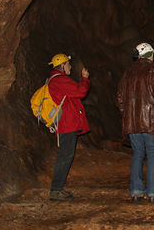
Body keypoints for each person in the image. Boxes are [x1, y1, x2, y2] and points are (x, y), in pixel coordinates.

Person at [116, 42, 154, 203]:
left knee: (137, 154)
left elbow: (120, 99)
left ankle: (136, 190)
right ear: (150, 55)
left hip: (133, 123)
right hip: (151, 121)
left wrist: (128, 115)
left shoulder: (128, 72)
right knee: (152, 153)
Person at [47, 53, 90, 201]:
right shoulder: (60, 81)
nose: (70, 66)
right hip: (67, 124)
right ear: (62, 66)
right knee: (65, 156)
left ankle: (58, 188)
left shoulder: (57, 80)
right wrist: (85, 79)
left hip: (66, 123)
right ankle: (56, 189)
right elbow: (81, 91)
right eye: (68, 64)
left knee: (66, 155)